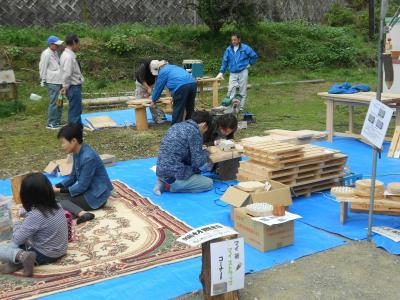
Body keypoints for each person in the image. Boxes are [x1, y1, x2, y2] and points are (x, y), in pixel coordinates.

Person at [0, 173, 68, 277]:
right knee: (21, 240)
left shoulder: (35, 216)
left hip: (45, 254)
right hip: (61, 250)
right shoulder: (56, 204)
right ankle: (18, 263)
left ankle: (21, 257)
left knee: (9, 247)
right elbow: (40, 216)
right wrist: (24, 212)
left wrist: (17, 223)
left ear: (26, 196)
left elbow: (17, 239)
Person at [54, 124, 113, 224]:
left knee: (58, 201)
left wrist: (58, 190)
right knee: (54, 196)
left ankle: (82, 214)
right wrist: (56, 186)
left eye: (63, 142)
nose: (62, 146)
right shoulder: (77, 152)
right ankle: (71, 212)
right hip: (87, 191)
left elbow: (81, 187)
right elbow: (73, 177)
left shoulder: (87, 157)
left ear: (73, 141)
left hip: (95, 196)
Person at [154, 111, 213, 195]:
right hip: (174, 174)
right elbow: (197, 162)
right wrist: (207, 152)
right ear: (204, 125)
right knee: (209, 183)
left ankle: (164, 181)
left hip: (161, 170)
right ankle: (170, 186)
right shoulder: (195, 132)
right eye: (206, 129)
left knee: (197, 169)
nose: (204, 132)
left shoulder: (177, 125)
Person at [216, 33, 258, 111]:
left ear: (239, 40)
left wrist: (249, 64)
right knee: (231, 90)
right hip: (232, 73)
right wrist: (221, 72)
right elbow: (225, 61)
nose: (233, 41)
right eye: (232, 40)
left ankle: (240, 108)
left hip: (243, 71)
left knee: (242, 90)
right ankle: (232, 107)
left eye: (235, 39)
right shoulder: (228, 49)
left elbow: (254, 56)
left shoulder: (245, 48)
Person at [150, 60, 197, 124]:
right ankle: (190, 126)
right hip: (193, 83)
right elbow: (175, 81)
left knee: (178, 110)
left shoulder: (163, 71)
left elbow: (159, 87)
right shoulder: (174, 67)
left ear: (159, 68)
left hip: (181, 87)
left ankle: (175, 128)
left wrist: (153, 100)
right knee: (190, 108)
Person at [39, 35, 64, 130]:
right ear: (51, 44)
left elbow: (58, 64)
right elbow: (42, 67)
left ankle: (57, 121)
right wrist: (43, 79)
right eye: (56, 44)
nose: (58, 46)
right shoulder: (46, 54)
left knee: (59, 101)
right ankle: (50, 123)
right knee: (54, 102)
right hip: (52, 81)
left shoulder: (55, 52)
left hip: (59, 80)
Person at [60, 33, 84, 125]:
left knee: (76, 109)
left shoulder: (67, 55)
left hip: (73, 86)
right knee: (75, 111)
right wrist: (65, 87)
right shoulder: (68, 57)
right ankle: (73, 133)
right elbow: (67, 74)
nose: (79, 46)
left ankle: (77, 129)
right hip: (73, 87)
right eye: (78, 44)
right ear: (74, 42)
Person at [135, 59, 166, 124]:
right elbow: (142, 79)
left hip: (152, 83)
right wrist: (148, 88)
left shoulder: (158, 66)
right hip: (141, 83)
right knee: (139, 102)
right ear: (150, 67)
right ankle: (141, 120)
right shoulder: (143, 67)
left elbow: (157, 78)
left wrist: (152, 89)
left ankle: (157, 118)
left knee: (152, 100)